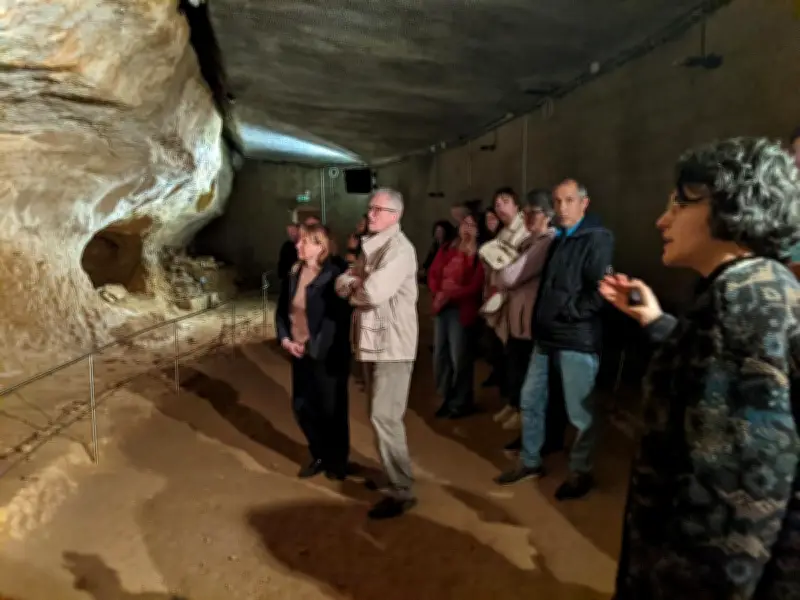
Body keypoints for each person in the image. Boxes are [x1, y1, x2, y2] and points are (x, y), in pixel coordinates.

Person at [600, 137, 800, 599]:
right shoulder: (760, 287)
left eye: (680, 203)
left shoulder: (743, 298)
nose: (662, 219)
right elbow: (717, 376)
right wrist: (656, 322)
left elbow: (735, 502)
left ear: (733, 205)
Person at [495, 179, 613, 501]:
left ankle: (580, 472)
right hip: (547, 337)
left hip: (575, 338)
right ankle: (530, 461)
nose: (562, 207)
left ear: (584, 203)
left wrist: (566, 313)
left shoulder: (596, 238)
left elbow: (599, 292)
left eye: (569, 200)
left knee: (580, 413)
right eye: (558, 201)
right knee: (530, 399)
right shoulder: (560, 238)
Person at [335, 187, 419, 520]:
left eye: (377, 210)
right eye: (370, 209)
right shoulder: (375, 246)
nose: (370, 214)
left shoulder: (399, 250)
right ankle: (392, 473)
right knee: (378, 413)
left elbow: (370, 291)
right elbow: (345, 280)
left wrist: (353, 288)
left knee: (385, 416)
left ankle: (402, 489)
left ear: (395, 215)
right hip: (376, 341)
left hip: (393, 346)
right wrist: (354, 284)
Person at [275, 223, 353, 481]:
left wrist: (310, 345)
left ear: (320, 247)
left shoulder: (334, 276)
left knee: (332, 410)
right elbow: (282, 310)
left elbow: (336, 321)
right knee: (302, 407)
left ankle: (337, 462)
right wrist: (286, 339)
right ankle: (319, 453)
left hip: (327, 355)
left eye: (305, 242)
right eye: (299, 241)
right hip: (299, 352)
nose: (298, 245)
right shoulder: (295, 272)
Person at [491, 190, 559, 452]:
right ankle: (527, 431)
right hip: (519, 318)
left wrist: (501, 269)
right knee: (518, 373)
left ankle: (534, 440)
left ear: (548, 215)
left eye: (534, 213)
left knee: (532, 387)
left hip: (530, 322)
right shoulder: (530, 241)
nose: (528, 218)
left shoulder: (545, 242)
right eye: (526, 213)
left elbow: (509, 276)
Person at [427, 208, 485, 418]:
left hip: (462, 308)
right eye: (464, 224)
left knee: (459, 356)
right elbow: (434, 272)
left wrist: (450, 295)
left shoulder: (480, 254)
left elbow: (476, 285)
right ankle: (446, 396)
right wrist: (438, 292)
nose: (466, 229)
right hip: (443, 307)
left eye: (471, 225)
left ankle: (461, 401)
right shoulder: (448, 247)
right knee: (440, 355)